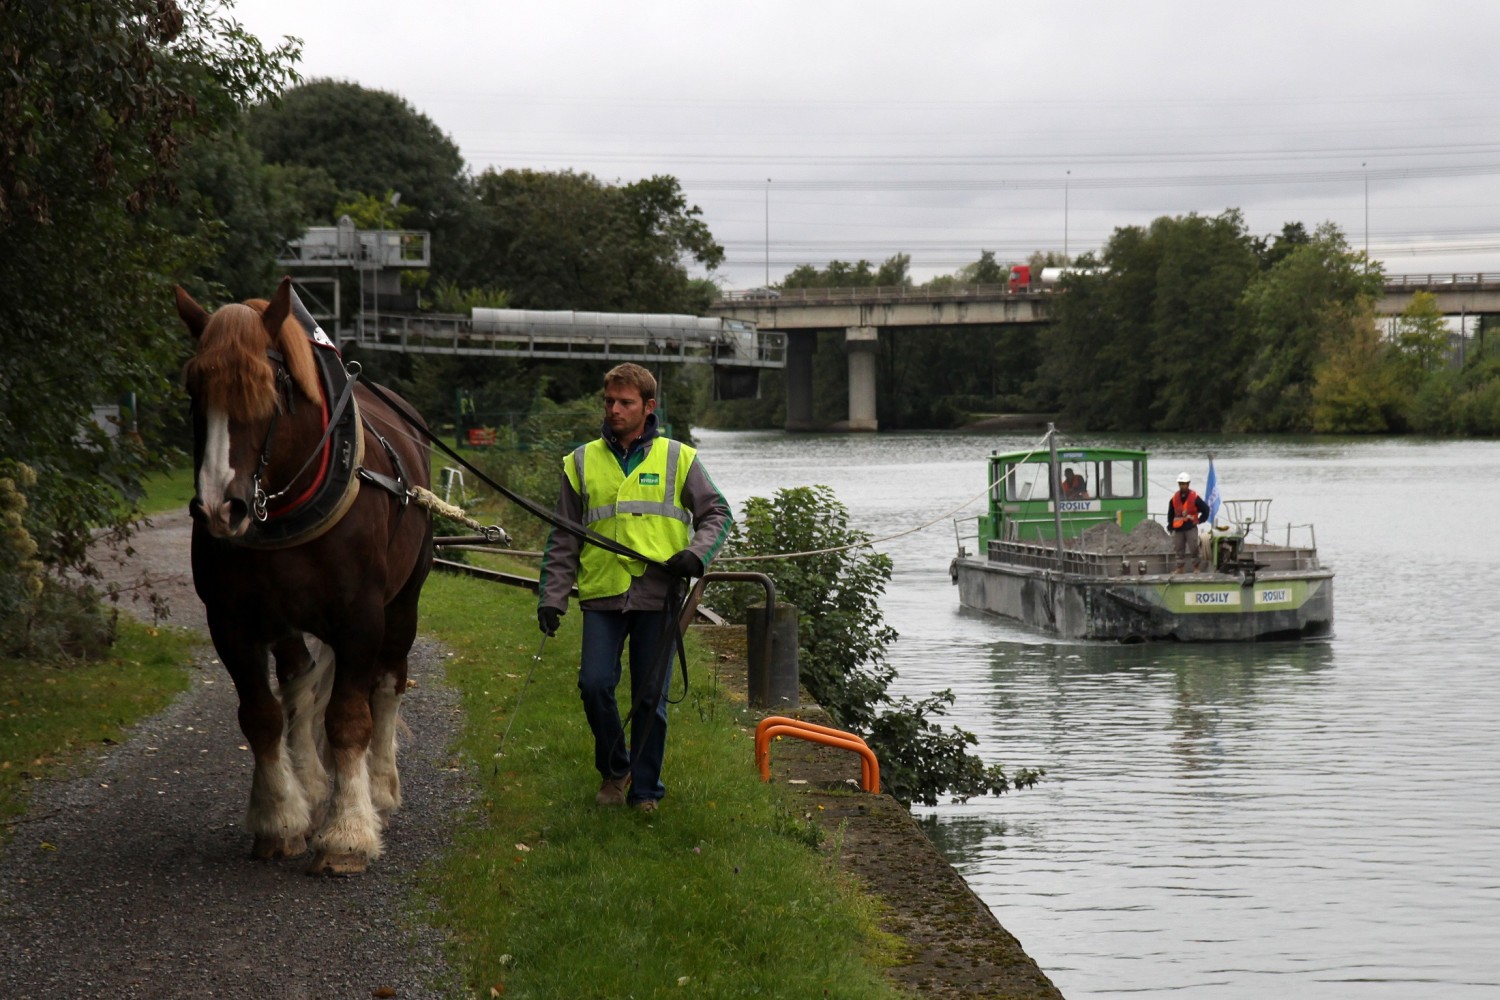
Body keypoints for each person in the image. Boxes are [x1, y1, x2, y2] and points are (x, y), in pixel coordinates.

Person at [536, 363, 732, 814]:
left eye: (625, 403)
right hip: (602, 593)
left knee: (650, 698)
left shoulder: (678, 457)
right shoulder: (580, 461)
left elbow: (718, 514)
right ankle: (615, 768)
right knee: (594, 685)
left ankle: (645, 792)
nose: (614, 410)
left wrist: (696, 555)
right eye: (609, 402)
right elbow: (564, 535)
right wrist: (552, 595)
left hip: (658, 595)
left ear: (648, 407)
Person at [1167, 472, 1210, 572]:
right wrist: (1170, 526)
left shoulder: (1194, 498)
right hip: (1178, 528)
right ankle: (1180, 568)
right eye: (1180, 484)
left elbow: (1206, 509)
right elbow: (1170, 514)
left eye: (1184, 483)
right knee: (1178, 549)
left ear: (1188, 484)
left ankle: (1196, 567)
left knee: (1194, 547)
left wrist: (1200, 520)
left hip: (1190, 527)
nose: (1182, 486)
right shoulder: (1174, 499)